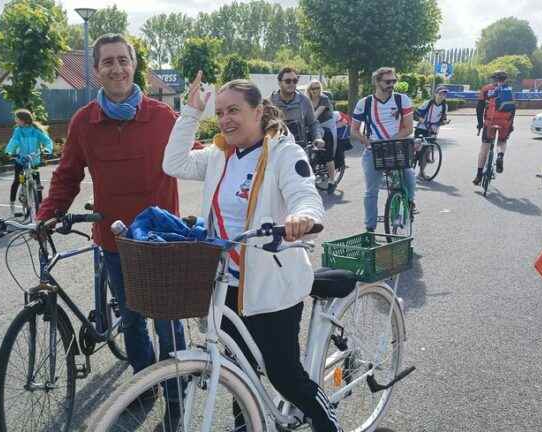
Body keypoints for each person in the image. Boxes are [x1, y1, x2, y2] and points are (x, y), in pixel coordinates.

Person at [163, 72, 341, 432]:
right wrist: (190, 114)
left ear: (258, 111)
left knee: (284, 375)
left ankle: (328, 424)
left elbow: (305, 192)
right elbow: (173, 164)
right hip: (226, 283)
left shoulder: (283, 153)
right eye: (220, 112)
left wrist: (302, 216)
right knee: (238, 369)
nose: (225, 119)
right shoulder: (219, 155)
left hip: (272, 284)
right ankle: (249, 425)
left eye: (234, 110)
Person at [36, 33, 186, 413]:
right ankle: (145, 384)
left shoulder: (163, 117)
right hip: (113, 240)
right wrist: (49, 212)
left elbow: (197, 158)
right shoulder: (84, 122)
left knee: (168, 321)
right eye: (108, 62)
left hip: (162, 239)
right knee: (133, 320)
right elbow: (67, 174)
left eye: (123, 60)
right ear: (97, 70)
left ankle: (174, 391)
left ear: (134, 65)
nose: (117, 68)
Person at [351, 66, 417, 233]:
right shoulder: (364, 103)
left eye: (394, 81)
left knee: (409, 176)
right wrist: (367, 142)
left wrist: (387, 142)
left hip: (396, 148)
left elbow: (408, 128)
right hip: (373, 151)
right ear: (377, 82)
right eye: (388, 82)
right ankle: (370, 229)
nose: (392, 84)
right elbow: (354, 130)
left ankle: (409, 202)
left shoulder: (402, 100)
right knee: (370, 191)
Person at [5, 109, 54, 217]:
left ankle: (39, 206)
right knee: (17, 181)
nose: (15, 120)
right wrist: (9, 152)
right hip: (20, 160)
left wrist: (47, 150)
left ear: (23, 120)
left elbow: (47, 141)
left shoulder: (35, 131)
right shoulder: (18, 131)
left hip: (33, 160)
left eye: (16, 118)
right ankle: (12, 206)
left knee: (37, 184)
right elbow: (14, 141)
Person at [473, 70, 514, 185]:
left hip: (490, 122)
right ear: (505, 79)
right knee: (502, 141)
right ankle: (500, 156)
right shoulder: (509, 90)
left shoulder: (486, 89)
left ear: (493, 78)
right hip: (505, 122)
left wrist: (480, 123)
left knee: (484, 148)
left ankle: (479, 175)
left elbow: (479, 108)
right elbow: (512, 108)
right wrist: (511, 124)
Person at [269, 67, 324, 147]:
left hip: (300, 150)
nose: (292, 84)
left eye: (295, 81)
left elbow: (313, 123)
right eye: (288, 81)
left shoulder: (304, 101)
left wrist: (317, 137)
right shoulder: (270, 102)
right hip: (277, 150)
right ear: (279, 82)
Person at [307, 79, 339, 193]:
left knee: (328, 154)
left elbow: (314, 115)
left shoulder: (324, 99)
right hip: (314, 126)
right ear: (309, 90)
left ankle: (331, 181)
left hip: (327, 126)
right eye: (313, 88)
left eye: (318, 88)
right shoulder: (307, 100)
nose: (315, 90)